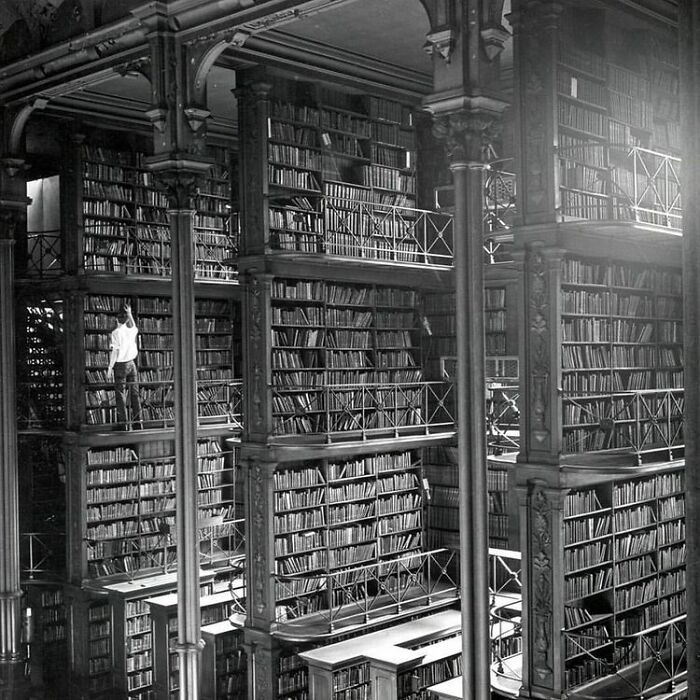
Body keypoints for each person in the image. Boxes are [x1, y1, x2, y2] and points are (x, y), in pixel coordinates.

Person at [107, 303, 142, 430]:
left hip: (121, 365)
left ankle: (124, 424)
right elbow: (134, 325)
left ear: (116, 320)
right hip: (132, 364)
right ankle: (138, 422)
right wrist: (130, 313)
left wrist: (110, 368)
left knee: (120, 394)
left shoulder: (115, 333)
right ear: (126, 320)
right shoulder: (131, 331)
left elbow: (115, 352)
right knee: (135, 393)